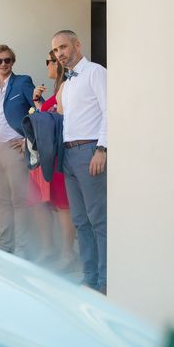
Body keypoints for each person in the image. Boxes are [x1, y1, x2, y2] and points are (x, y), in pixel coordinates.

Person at [51, 30, 107, 294]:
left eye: (63, 47)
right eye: (56, 51)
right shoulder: (68, 82)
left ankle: (106, 280)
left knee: (98, 219)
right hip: (69, 155)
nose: (60, 54)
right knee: (80, 220)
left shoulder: (95, 72)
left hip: (90, 152)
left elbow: (110, 110)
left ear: (77, 44)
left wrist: (102, 148)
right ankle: (89, 277)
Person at [0, 45, 35, 258]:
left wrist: (28, 139)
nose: (4, 64)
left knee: (19, 200)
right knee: (1, 200)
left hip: (14, 147)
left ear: (12, 62)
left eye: (8, 60)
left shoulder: (23, 81)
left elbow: (37, 109)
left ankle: (23, 248)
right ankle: (5, 246)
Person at [30, 51, 76, 269]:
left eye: (48, 62)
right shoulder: (58, 89)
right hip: (50, 155)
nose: (47, 66)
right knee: (55, 206)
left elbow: (62, 117)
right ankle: (62, 252)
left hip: (60, 154)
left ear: (56, 64)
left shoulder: (66, 87)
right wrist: (38, 104)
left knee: (64, 206)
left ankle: (68, 255)